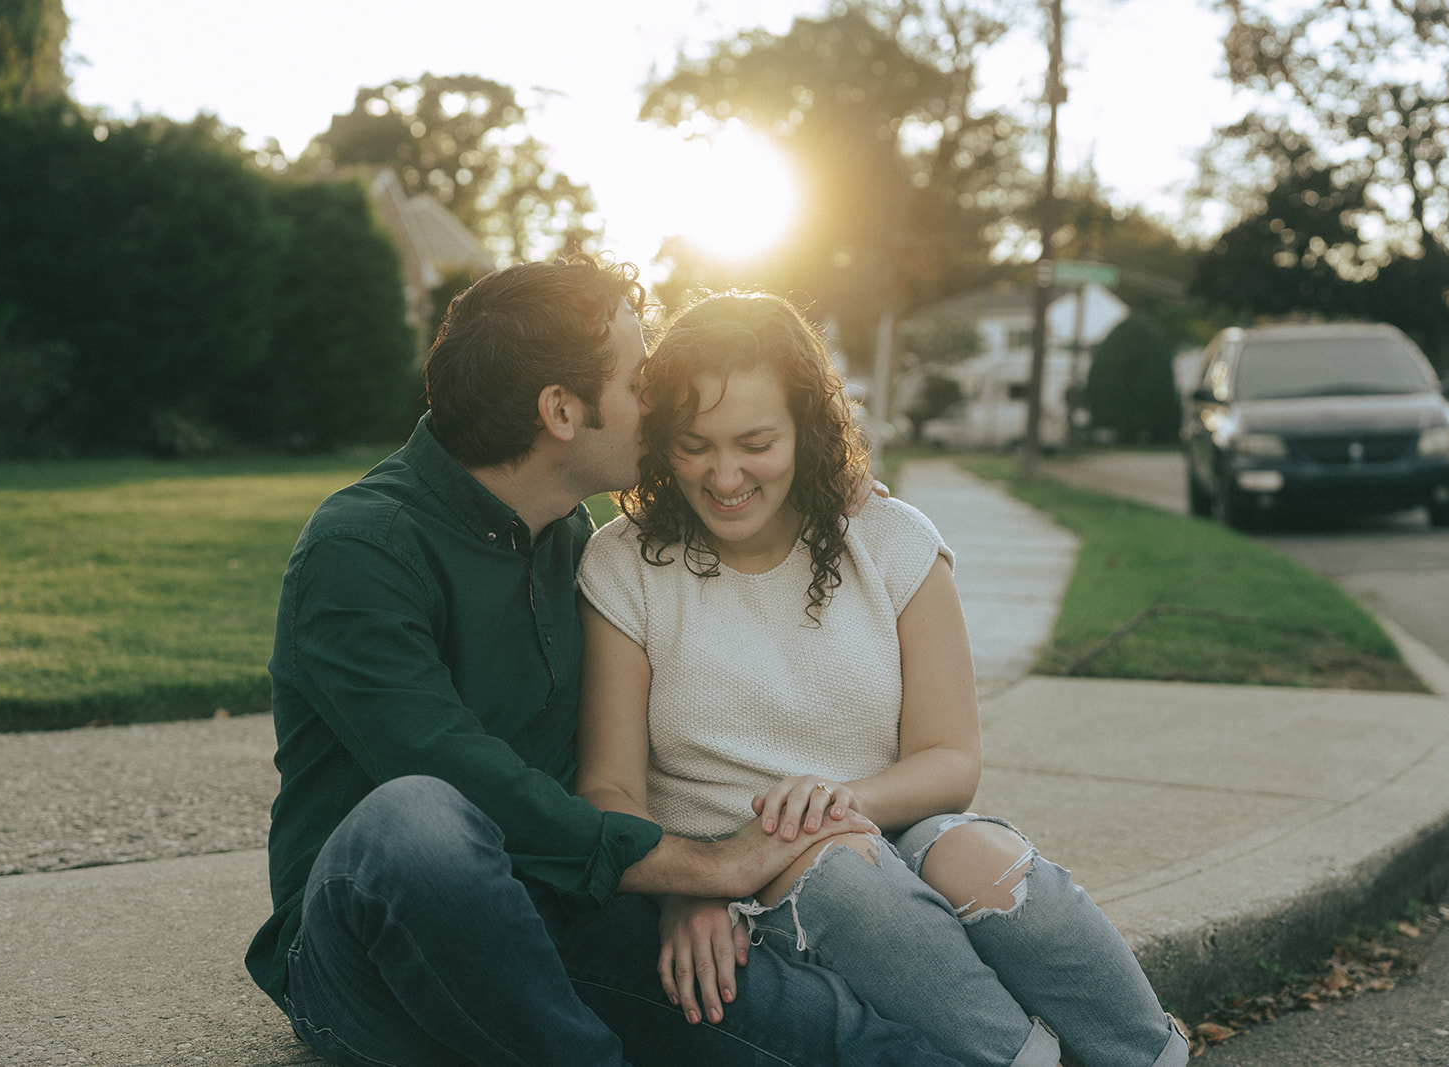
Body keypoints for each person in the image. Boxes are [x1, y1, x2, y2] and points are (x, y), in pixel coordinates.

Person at [243, 258, 968, 1066]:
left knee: (817, 1027)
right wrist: (702, 864)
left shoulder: (573, 542)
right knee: (417, 816)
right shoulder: (361, 548)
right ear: (560, 410)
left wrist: (676, 888)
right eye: (638, 379)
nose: (660, 397)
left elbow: (620, 758)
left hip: (558, 913)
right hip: (375, 956)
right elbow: (454, 767)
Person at [575, 291, 1190, 1067]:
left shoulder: (892, 539)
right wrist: (687, 883)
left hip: (893, 831)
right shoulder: (624, 562)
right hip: (749, 880)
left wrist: (835, 804)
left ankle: (1153, 1058)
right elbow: (609, 794)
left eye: (756, 441)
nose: (724, 474)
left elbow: (950, 759)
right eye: (694, 444)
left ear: (808, 428)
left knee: (980, 858)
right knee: (836, 874)